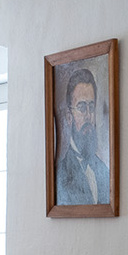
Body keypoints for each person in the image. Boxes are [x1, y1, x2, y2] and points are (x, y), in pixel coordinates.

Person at [54, 66, 112, 206]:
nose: (88, 115)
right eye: (81, 107)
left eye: (91, 107)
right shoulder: (61, 173)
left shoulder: (104, 170)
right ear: (69, 116)